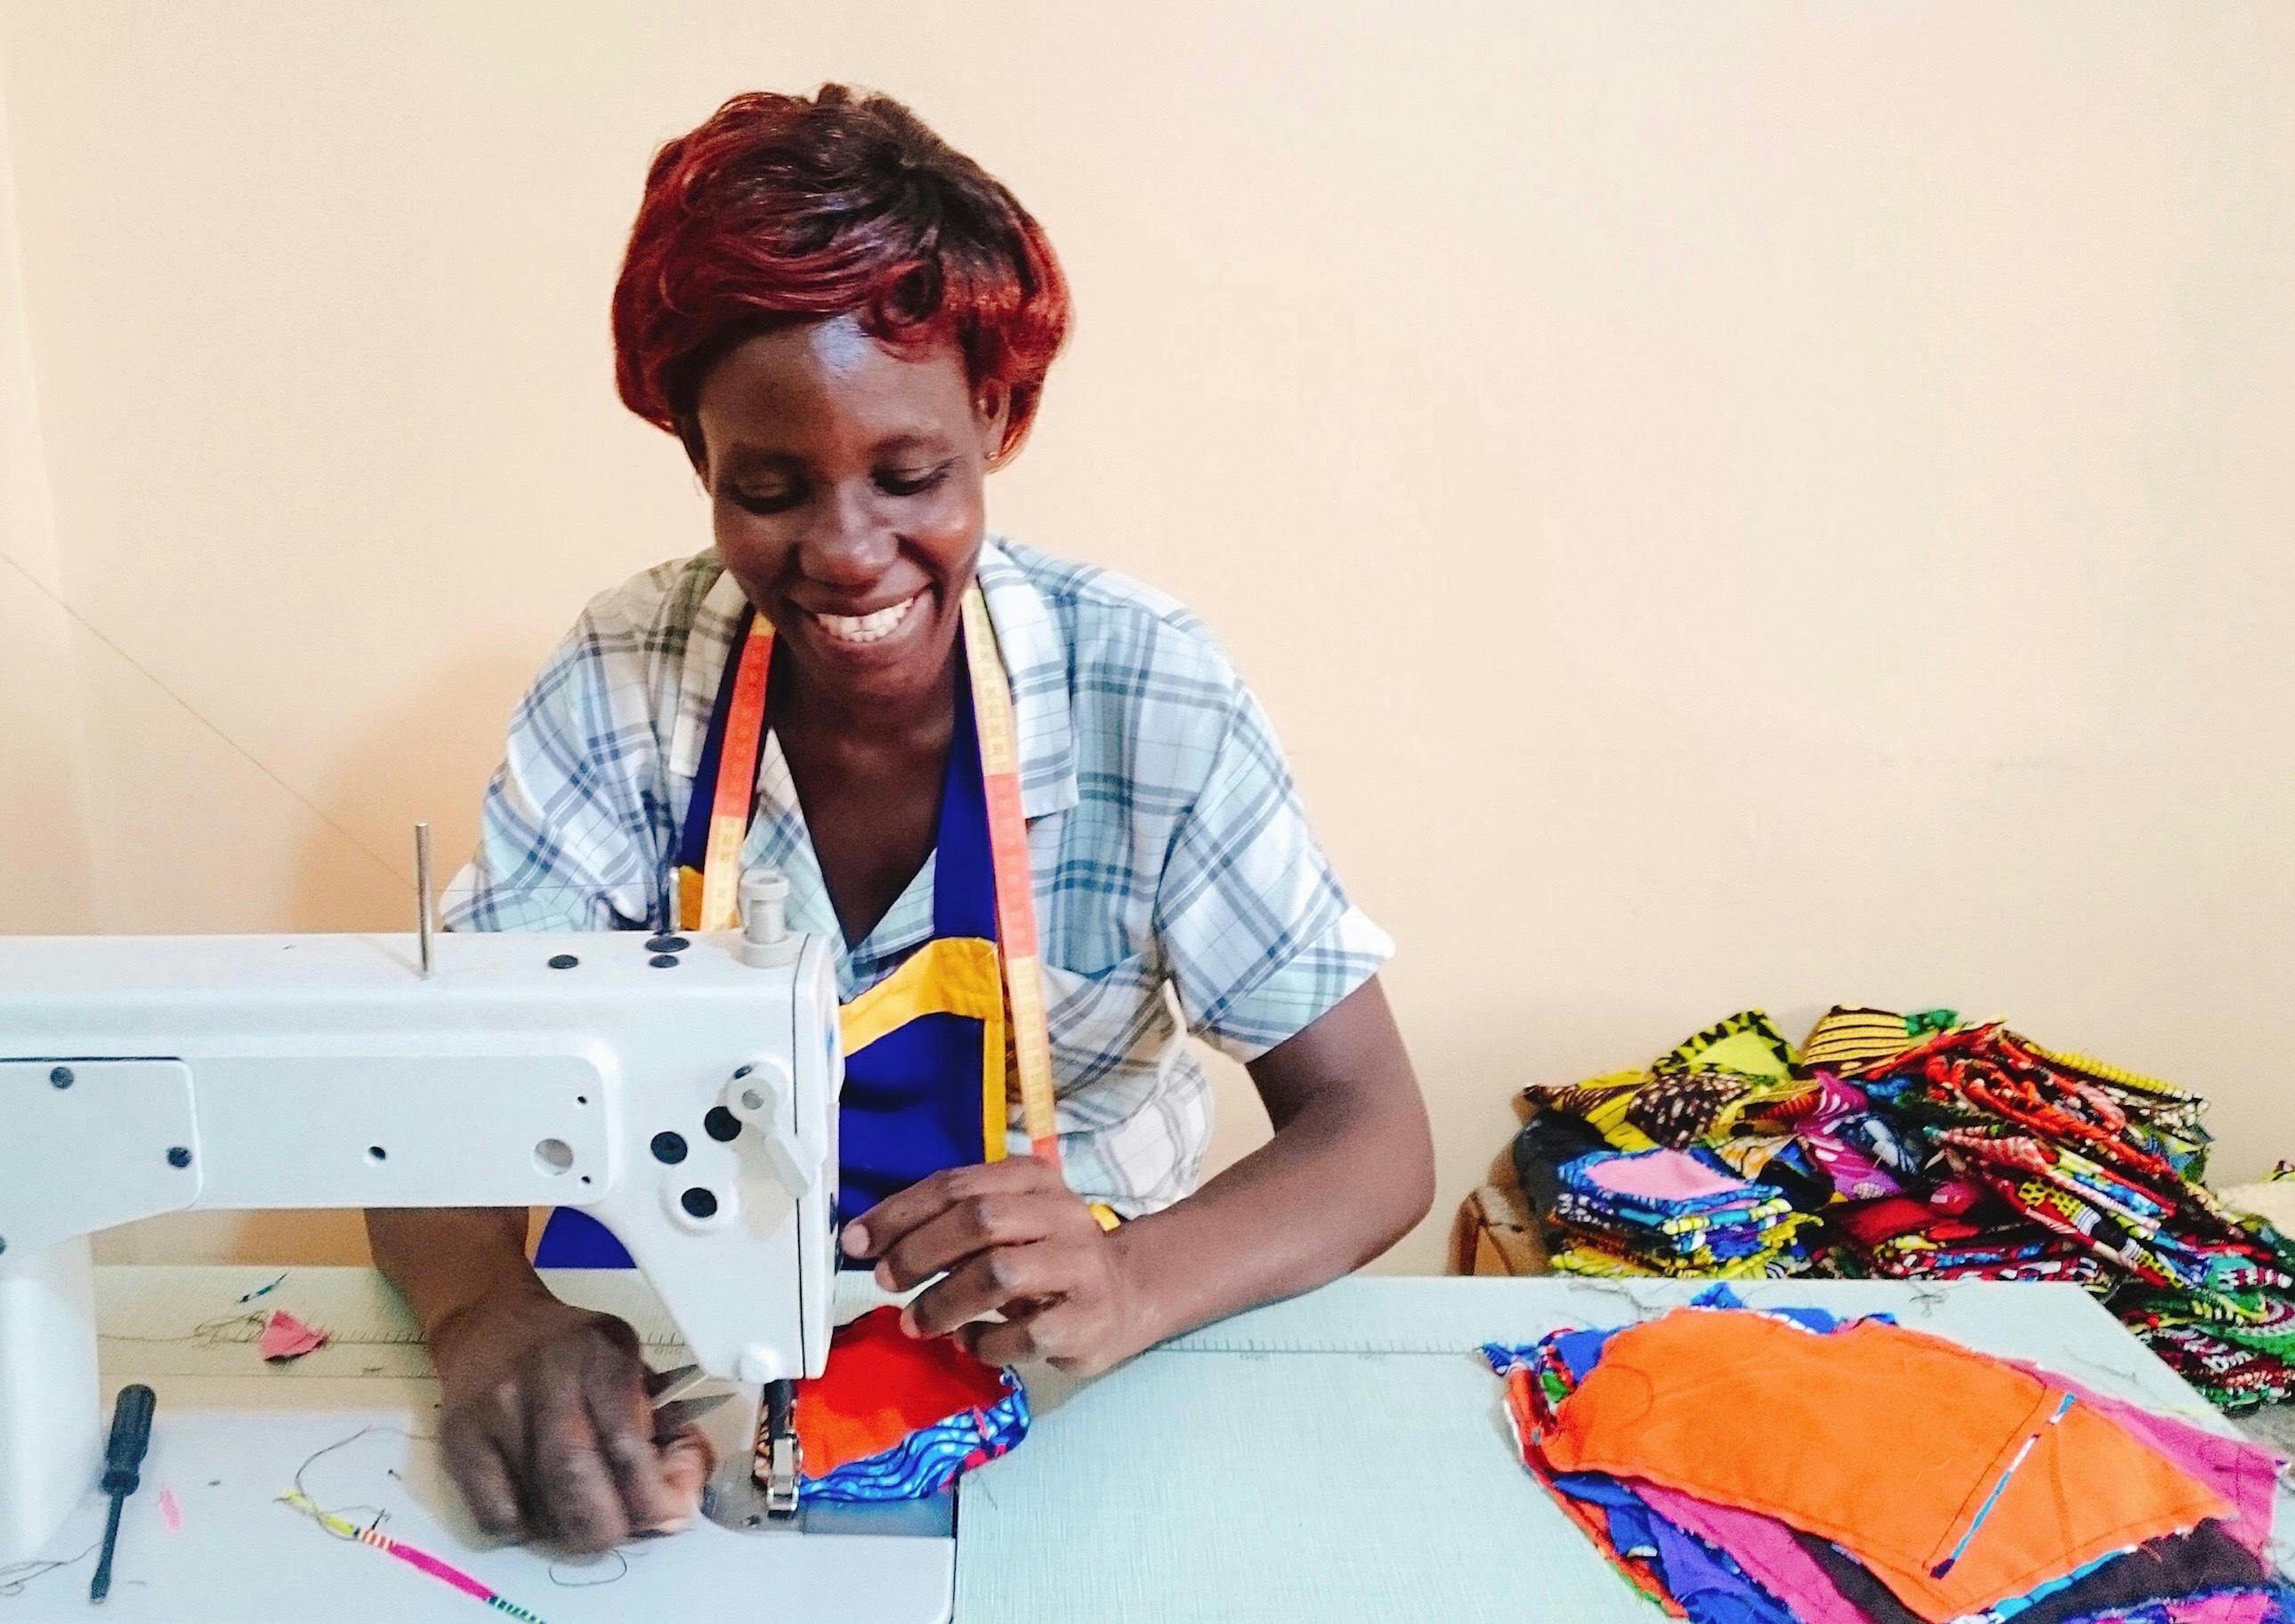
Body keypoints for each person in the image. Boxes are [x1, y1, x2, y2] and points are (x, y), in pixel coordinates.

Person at [366, 84, 1432, 1554]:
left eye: (909, 475)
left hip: (1066, 1375)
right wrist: (487, 1309)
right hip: (690, 1359)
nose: (848, 551)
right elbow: (436, 1103)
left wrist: (1138, 1278)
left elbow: (1374, 1129)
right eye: (770, 488)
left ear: (994, 415)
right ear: (699, 458)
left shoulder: (1143, 686)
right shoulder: (625, 682)